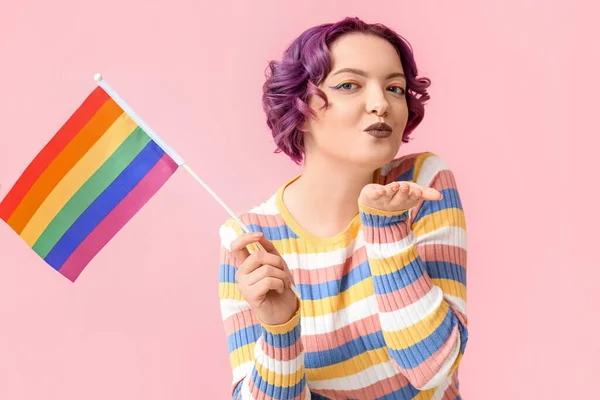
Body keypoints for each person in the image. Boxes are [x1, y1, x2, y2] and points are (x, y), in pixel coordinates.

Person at [217, 16, 468, 400]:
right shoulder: (249, 238)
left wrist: (386, 227)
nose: (381, 104)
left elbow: (432, 367)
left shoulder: (422, 183)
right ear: (299, 107)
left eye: (395, 88)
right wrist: (280, 328)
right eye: (349, 85)